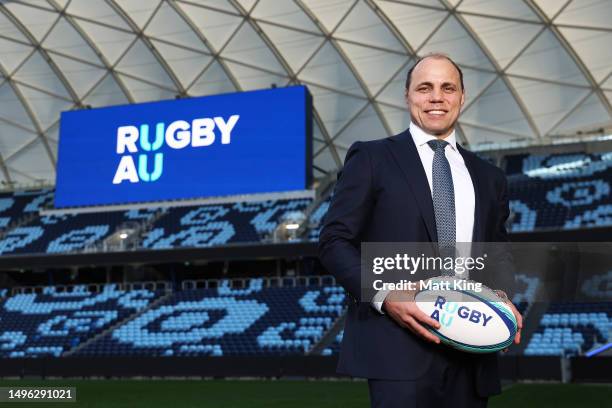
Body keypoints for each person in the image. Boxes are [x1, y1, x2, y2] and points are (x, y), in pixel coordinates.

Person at [318, 53, 523, 408]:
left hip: (471, 351)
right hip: (398, 348)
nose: (436, 97)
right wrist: (385, 295)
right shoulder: (372, 158)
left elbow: (497, 254)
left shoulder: (490, 178)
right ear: (408, 96)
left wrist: (501, 296)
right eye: (424, 87)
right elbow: (334, 240)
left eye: (448, 88)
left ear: (462, 96)